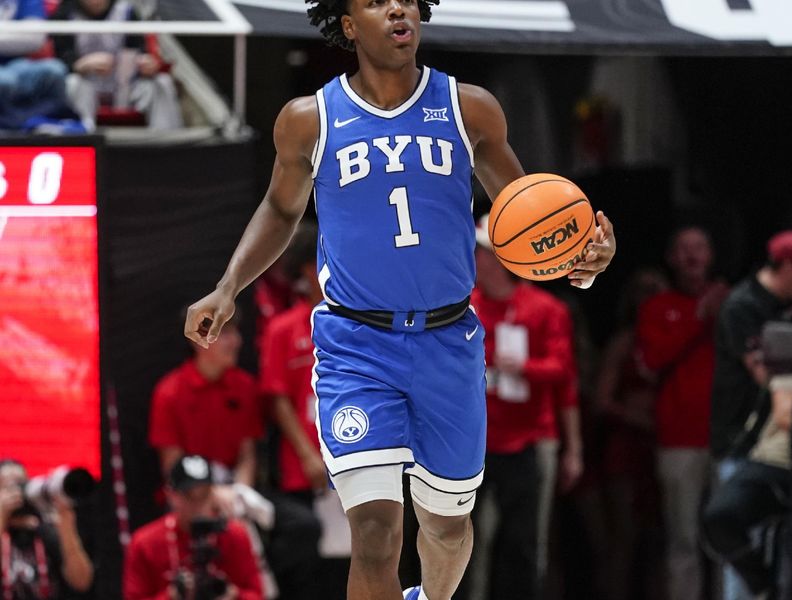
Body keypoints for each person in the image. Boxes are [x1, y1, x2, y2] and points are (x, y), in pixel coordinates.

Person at [183, 2, 617, 599]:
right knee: (376, 532)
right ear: (347, 23)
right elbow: (282, 209)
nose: (397, 8)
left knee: (445, 526)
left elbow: (531, 223)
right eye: (376, 0)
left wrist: (582, 264)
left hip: (449, 340)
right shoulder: (310, 119)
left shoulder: (470, 109)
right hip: (356, 344)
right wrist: (228, 286)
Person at [460, 214, 581, 600]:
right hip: (471, 444)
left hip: (527, 441)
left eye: (481, 253)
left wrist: (572, 449)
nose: (474, 260)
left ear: (498, 258)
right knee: (461, 541)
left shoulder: (545, 309)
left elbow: (564, 373)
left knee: (524, 540)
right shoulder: (461, 308)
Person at [636, 226, 728, 600]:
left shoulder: (732, 305)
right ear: (672, 258)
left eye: (700, 248)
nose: (692, 256)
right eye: (684, 249)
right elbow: (652, 361)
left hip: (726, 439)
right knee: (683, 540)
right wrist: (699, 318)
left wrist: (721, 314)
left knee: (728, 538)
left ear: (711, 256)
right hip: (678, 442)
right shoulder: (656, 308)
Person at [260, 220, 350, 600]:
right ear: (304, 270)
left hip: (353, 463)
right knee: (310, 566)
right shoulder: (283, 329)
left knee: (351, 564)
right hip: (304, 471)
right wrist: (308, 455)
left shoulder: (354, 323)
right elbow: (278, 399)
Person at [709, 230, 792, 600]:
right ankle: (760, 590)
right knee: (734, 527)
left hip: (784, 450)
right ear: (789, 267)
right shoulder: (743, 306)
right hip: (746, 441)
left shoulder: (789, 309)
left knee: (785, 544)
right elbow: (771, 382)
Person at [595, 268, 668, 600]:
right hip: (626, 446)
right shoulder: (624, 342)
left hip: (664, 443)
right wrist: (637, 418)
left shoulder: (672, 337)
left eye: (656, 288)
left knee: (660, 539)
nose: (649, 296)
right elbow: (602, 400)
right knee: (624, 538)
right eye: (642, 289)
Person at [123, 455, 263, 600]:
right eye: (190, 496)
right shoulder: (145, 542)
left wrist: (233, 595)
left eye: (204, 495)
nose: (199, 505)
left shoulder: (234, 534)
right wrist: (171, 596)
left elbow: (257, 595)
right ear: (171, 495)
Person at [150, 311, 263, 489]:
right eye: (225, 333)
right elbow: (172, 467)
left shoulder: (245, 385)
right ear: (197, 340)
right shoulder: (169, 393)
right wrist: (212, 497)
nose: (236, 341)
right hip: (190, 493)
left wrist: (241, 493)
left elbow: (247, 455)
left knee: (298, 517)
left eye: (235, 332)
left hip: (235, 491)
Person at [51, 0, 183, 130]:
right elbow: (57, 65)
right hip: (86, 88)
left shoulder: (126, 11)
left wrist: (146, 64)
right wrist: (79, 65)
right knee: (72, 83)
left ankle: (167, 143)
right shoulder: (64, 14)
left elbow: (140, 50)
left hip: (125, 88)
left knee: (162, 82)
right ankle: (81, 139)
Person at [0, 459, 94, 599]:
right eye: (10, 486)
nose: (17, 492)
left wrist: (67, 527)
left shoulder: (45, 532)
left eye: (22, 484)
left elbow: (81, 582)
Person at [0, 0, 71, 130]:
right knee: (5, 82)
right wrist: (16, 34)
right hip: (7, 74)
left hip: (17, 64)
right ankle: (10, 127)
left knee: (55, 71)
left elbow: (35, 39)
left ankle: (38, 124)